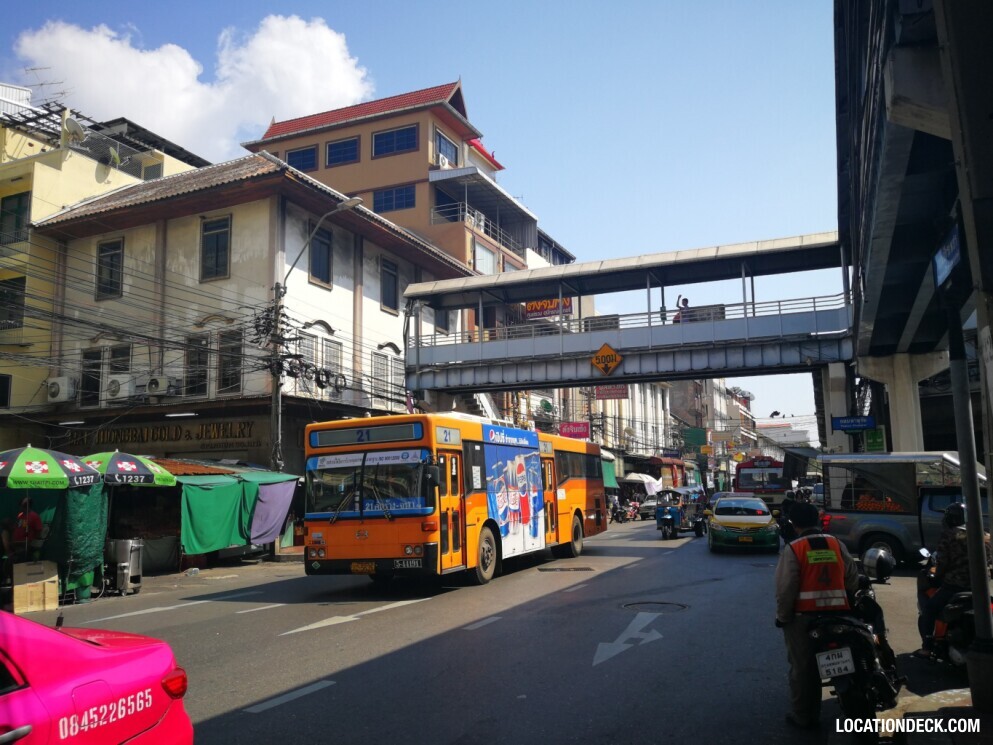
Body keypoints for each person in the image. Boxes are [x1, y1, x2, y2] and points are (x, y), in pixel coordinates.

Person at [775, 501, 860, 730]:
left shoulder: (794, 549)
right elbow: (852, 576)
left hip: (805, 619)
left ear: (794, 524)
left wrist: (783, 617)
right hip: (840, 615)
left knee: (803, 668)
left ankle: (804, 716)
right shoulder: (836, 544)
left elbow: (786, 589)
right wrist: (848, 599)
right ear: (817, 521)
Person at [915, 502, 993, 658]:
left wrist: (937, 576)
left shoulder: (949, 535)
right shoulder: (984, 535)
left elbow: (943, 562)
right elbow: (989, 560)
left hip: (954, 586)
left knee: (929, 609)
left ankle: (927, 647)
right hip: (979, 588)